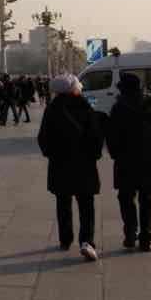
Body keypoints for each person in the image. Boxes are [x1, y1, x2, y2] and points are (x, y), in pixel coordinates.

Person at [37, 74, 104, 261]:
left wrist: (52, 154)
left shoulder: (52, 110)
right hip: (85, 164)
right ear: (74, 89)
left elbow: (43, 138)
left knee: (63, 203)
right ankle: (87, 241)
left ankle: (65, 239)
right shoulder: (85, 107)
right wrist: (94, 155)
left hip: (60, 164)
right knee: (86, 205)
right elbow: (96, 136)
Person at [106, 73, 151, 252]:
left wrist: (115, 154)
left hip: (126, 159)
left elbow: (112, 135)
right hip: (150, 156)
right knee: (147, 198)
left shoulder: (119, 107)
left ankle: (130, 234)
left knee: (126, 197)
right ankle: (146, 239)